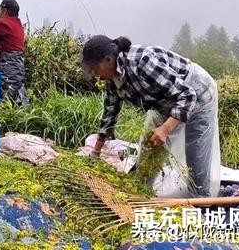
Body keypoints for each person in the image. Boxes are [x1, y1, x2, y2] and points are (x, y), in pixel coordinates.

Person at [82, 35, 220, 197]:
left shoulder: (142, 62)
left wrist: (166, 129)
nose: (94, 73)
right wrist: (96, 152)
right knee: (148, 150)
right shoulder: (112, 78)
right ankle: (141, 193)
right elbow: (110, 111)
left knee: (196, 160)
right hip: (164, 103)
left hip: (198, 94)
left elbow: (187, 95)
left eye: (94, 68)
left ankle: (200, 205)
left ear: (108, 60)